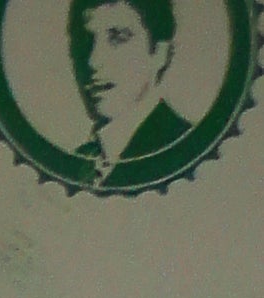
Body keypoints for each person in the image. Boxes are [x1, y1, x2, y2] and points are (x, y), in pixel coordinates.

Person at [69, 0, 190, 178]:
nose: (93, 61)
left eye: (118, 38)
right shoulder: (82, 159)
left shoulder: (184, 151)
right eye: (85, 40)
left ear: (160, 53)